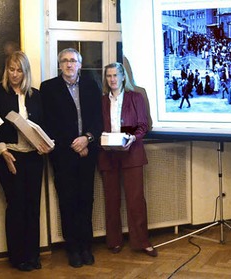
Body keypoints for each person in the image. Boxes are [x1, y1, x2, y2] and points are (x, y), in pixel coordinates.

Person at [0, 51, 51, 272]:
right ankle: (18, 257)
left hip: (33, 157)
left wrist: (45, 144)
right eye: (11, 69)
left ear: (26, 72)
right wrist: (2, 150)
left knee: (33, 206)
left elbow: (43, 125)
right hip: (9, 156)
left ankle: (33, 254)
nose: (14, 74)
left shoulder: (35, 95)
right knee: (16, 206)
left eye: (19, 70)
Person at [40, 48, 102, 268]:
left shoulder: (91, 85)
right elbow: (48, 124)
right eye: (64, 61)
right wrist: (74, 145)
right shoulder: (48, 88)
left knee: (86, 200)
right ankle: (73, 248)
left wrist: (87, 139)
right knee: (68, 202)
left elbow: (98, 118)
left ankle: (86, 246)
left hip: (88, 153)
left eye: (73, 61)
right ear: (59, 65)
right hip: (63, 156)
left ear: (80, 64)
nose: (69, 64)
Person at [98, 62, 158, 257]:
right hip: (108, 155)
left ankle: (142, 241)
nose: (112, 79)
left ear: (124, 77)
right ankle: (114, 241)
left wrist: (132, 138)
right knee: (112, 200)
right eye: (109, 76)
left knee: (135, 200)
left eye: (116, 75)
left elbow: (143, 125)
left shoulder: (136, 97)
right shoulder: (102, 101)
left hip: (132, 153)